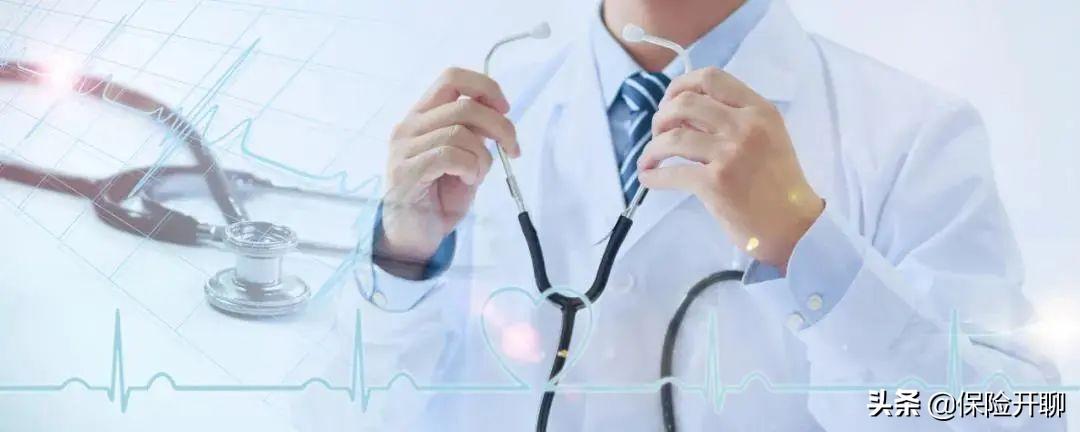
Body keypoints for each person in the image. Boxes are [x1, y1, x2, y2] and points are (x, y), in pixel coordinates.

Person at [326, 0, 1060, 430]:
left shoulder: (914, 132)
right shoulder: (460, 121)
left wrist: (805, 245)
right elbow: (336, 410)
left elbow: (1016, 415)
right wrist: (401, 258)